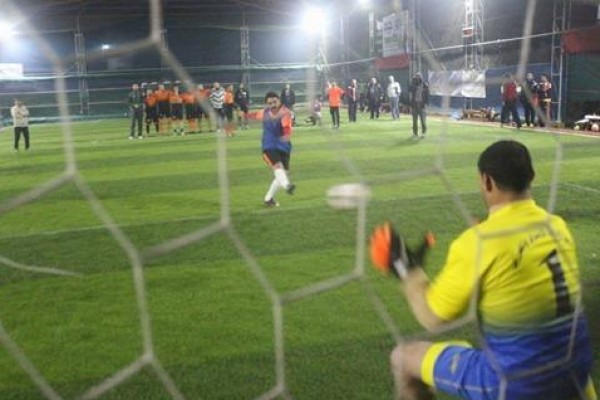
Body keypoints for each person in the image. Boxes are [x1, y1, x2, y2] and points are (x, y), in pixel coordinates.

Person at [369, 139, 596, 400]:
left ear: (486, 181)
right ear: (531, 176)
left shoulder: (478, 243)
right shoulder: (557, 226)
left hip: (514, 384)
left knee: (403, 358)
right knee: (473, 348)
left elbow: (431, 317)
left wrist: (406, 268)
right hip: (576, 371)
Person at [248, 92, 296, 207]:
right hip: (269, 146)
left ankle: (268, 199)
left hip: (284, 147)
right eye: (269, 103)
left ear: (279, 100)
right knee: (278, 167)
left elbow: (286, 127)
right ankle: (287, 186)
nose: (272, 105)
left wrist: (286, 134)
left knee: (282, 173)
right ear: (266, 104)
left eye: (274, 102)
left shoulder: (285, 113)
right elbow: (253, 115)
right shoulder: (264, 112)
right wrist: (244, 116)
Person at [409, 72, 429, 138]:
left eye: (418, 78)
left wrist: (426, 104)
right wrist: (412, 83)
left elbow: (427, 96)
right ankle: (415, 133)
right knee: (414, 120)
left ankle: (424, 132)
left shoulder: (425, 86)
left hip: (422, 105)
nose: (416, 79)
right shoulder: (413, 86)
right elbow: (410, 91)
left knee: (423, 120)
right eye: (416, 78)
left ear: (420, 78)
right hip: (414, 104)